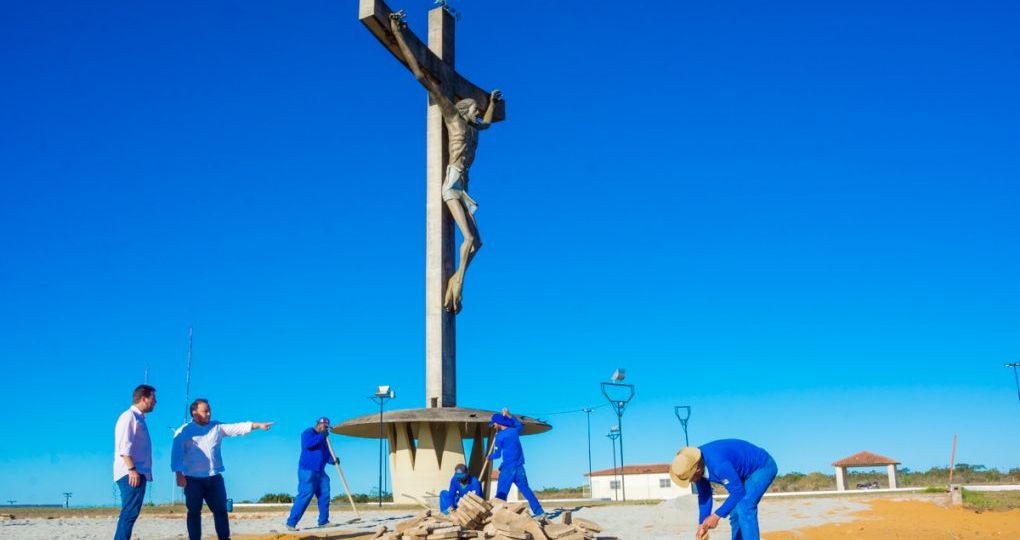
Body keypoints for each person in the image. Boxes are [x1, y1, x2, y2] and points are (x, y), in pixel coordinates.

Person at [389, 10, 503, 314]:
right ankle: (457, 283)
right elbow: (423, 77)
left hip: (463, 185)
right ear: (463, 110)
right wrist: (399, 34)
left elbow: (489, 122)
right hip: (452, 183)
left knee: (476, 242)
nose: (478, 114)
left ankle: (457, 278)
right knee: (470, 239)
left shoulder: (475, 129)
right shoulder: (454, 119)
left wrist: (491, 104)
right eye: (475, 111)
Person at [171, 398, 273, 540]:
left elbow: (237, 428)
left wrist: (258, 425)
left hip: (214, 479)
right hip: (192, 479)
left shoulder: (217, 427)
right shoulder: (183, 431)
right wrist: (178, 474)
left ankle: (224, 538)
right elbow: (176, 454)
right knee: (194, 512)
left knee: (220, 511)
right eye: (205, 411)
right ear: (194, 413)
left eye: (209, 411)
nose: (208, 414)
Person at [669, 439, 778, 540]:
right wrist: (702, 524)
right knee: (735, 512)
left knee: (745, 506)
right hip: (743, 474)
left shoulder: (718, 465)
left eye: (691, 478)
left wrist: (716, 516)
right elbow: (705, 496)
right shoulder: (695, 463)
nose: (691, 481)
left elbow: (738, 492)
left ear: (697, 470)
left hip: (762, 466)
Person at [113, 384, 156, 540]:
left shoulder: (139, 418)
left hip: (136, 472)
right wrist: (132, 469)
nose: (155, 402)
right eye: (153, 399)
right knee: (129, 513)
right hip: (131, 472)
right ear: (143, 398)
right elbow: (124, 445)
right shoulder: (129, 416)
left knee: (130, 513)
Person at [488, 408, 545, 518]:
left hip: (508, 469)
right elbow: (519, 425)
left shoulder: (499, 436)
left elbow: (498, 454)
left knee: (501, 493)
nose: (493, 426)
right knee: (526, 490)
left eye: (494, 424)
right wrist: (509, 415)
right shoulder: (514, 431)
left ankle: (498, 516)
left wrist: (489, 456)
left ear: (498, 423)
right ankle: (540, 512)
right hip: (519, 468)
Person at [286, 416, 339, 531]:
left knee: (325, 495)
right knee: (305, 495)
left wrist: (333, 460)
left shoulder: (324, 439)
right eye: (324, 426)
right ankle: (291, 523)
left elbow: (326, 455)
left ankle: (323, 521)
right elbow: (308, 445)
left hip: (321, 472)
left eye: (327, 427)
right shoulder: (308, 432)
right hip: (307, 471)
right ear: (318, 424)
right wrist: (322, 436)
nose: (325, 429)